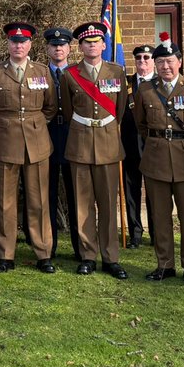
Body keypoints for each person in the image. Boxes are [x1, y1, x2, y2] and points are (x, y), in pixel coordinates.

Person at [0, 22, 58, 273]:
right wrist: (7, 125)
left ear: (30, 45)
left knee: (39, 200)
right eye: (14, 41)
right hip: (5, 141)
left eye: (23, 42)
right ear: (8, 44)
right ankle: (5, 254)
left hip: (36, 141)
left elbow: (50, 106)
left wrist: (33, 123)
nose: (18, 46)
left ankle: (43, 253)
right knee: (5, 201)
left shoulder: (42, 71)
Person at [136, 34, 184, 286]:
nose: (165, 67)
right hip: (156, 159)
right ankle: (164, 264)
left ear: (179, 61)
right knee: (159, 215)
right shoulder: (146, 90)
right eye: (160, 63)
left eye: (170, 61)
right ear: (155, 66)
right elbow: (141, 124)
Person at [59, 22, 129, 280]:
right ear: (80, 46)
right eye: (87, 42)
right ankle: (88, 255)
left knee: (108, 204)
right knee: (83, 204)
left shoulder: (117, 72)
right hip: (80, 144)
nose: (92, 45)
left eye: (96, 41)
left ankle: (111, 257)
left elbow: (119, 110)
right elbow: (68, 111)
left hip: (109, 145)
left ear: (103, 45)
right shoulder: (70, 75)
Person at [42, 26, 81, 262]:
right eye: (54, 45)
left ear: (69, 48)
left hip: (73, 135)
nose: (58, 48)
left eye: (62, 45)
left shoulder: (78, 73)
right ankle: (49, 247)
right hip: (45, 135)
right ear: (47, 49)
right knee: (46, 194)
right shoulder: (38, 73)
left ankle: (80, 247)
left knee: (77, 195)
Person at [120, 43, 156, 248]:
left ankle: (156, 232)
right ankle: (135, 233)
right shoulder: (126, 83)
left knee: (154, 192)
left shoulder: (160, 84)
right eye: (139, 58)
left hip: (153, 147)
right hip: (129, 144)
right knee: (131, 190)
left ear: (152, 61)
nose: (142, 61)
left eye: (146, 57)